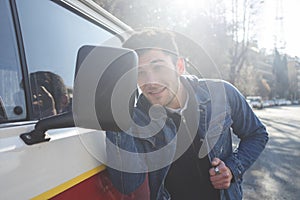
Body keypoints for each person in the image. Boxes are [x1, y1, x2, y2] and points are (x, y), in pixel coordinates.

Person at [105, 29, 269, 200]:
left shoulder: (222, 93)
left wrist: (232, 168)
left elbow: (257, 134)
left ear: (179, 66)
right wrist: (114, 117)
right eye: (140, 72)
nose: (150, 81)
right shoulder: (136, 118)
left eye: (158, 67)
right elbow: (127, 184)